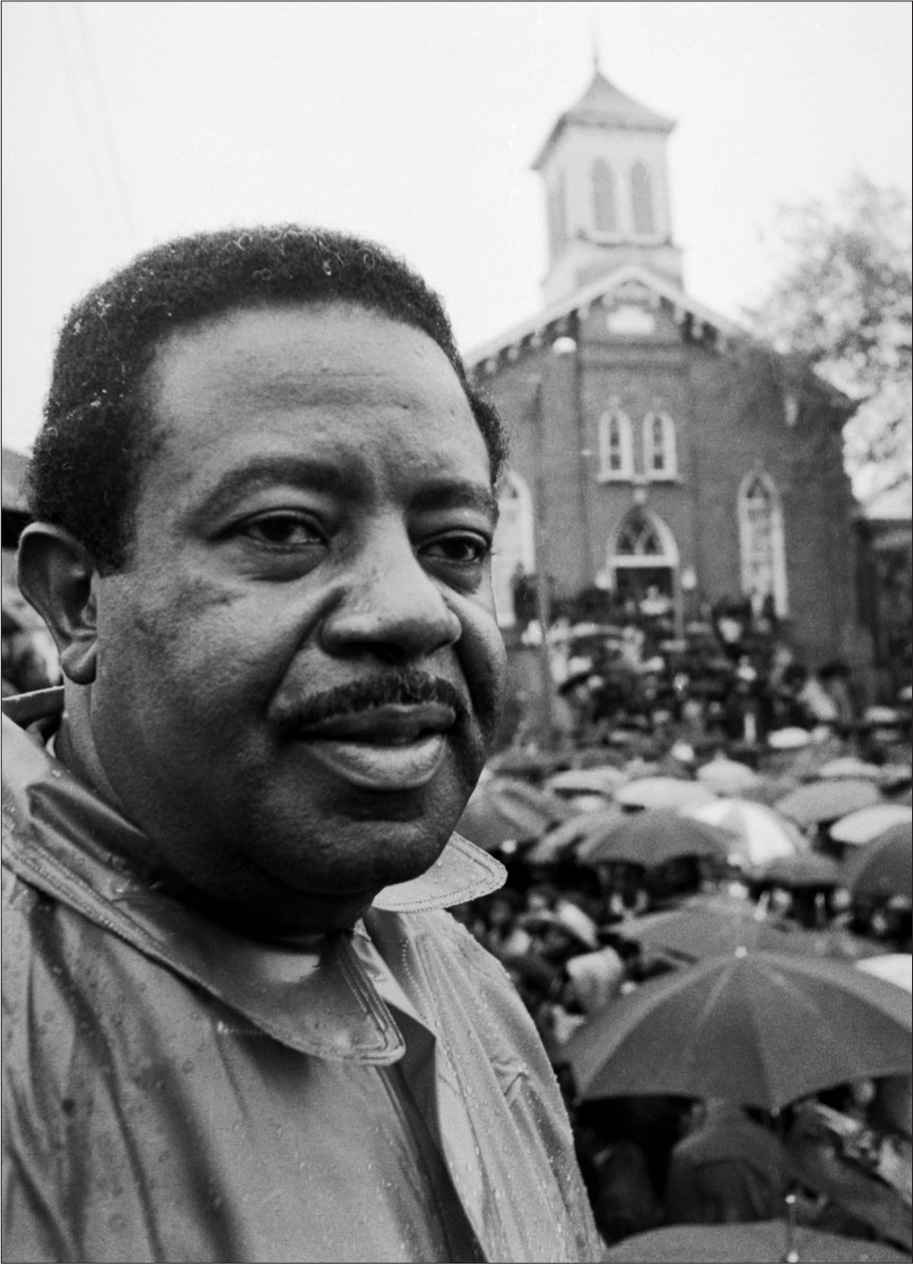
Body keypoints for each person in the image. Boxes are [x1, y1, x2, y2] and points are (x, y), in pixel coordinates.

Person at [1, 227, 606, 1263]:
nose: (414, 610)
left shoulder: (466, 981)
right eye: (286, 529)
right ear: (74, 600)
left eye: (454, 546)